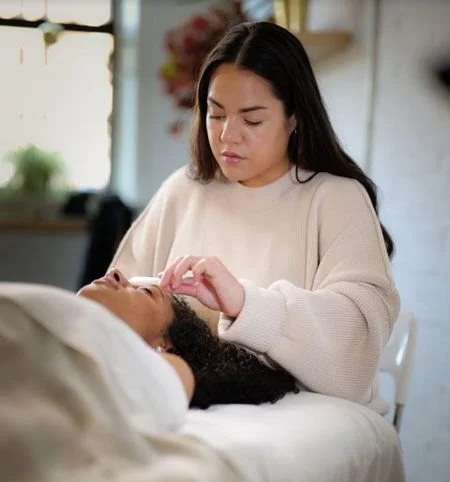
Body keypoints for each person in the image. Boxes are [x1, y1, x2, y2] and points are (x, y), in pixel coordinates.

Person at [110, 21, 400, 413]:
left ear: (294, 118)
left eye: (252, 120)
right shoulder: (184, 190)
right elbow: (112, 309)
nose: (228, 136)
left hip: (302, 422)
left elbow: (356, 349)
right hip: (187, 411)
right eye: (216, 114)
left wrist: (246, 303)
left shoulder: (335, 199)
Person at [78, 267, 300, 409]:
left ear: (160, 349)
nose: (115, 272)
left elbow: (172, 377)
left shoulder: (162, 374)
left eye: (147, 292)